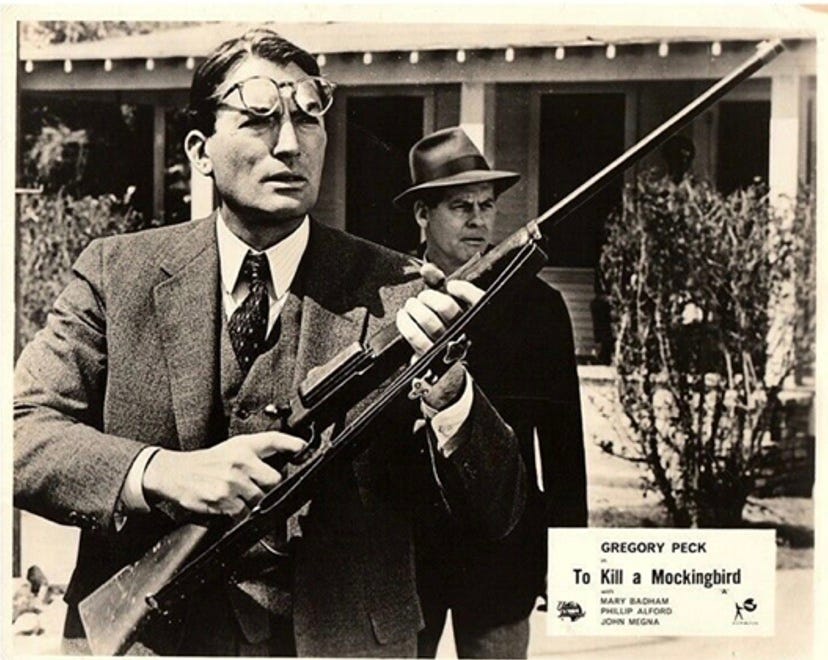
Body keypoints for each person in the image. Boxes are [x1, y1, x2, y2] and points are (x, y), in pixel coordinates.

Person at [13, 30, 526, 657]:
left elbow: (497, 510)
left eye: (308, 117)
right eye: (258, 118)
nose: (290, 143)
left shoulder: (401, 290)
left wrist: (452, 399)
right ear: (200, 150)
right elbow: (21, 434)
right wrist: (163, 472)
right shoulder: (116, 274)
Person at [394, 127, 587, 658]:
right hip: (407, 559)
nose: (479, 220)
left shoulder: (539, 307)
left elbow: (564, 448)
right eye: (461, 207)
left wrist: (570, 562)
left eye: (486, 205)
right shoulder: (389, 298)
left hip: (504, 556)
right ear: (422, 214)